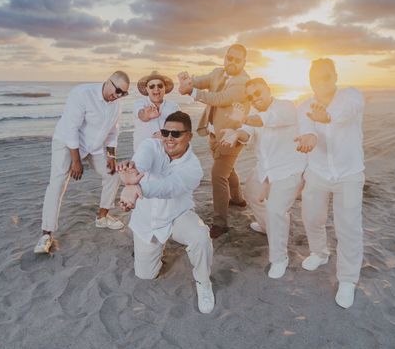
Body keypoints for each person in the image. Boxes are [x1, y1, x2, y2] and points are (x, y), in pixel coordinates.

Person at [117, 111, 215, 314]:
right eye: (165, 132)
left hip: (176, 216)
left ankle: (203, 281)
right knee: (146, 275)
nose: (169, 138)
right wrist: (133, 172)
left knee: (200, 236)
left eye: (176, 134)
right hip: (146, 222)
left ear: (189, 136)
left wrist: (139, 190)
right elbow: (142, 161)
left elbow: (169, 187)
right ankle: (157, 249)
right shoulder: (151, 145)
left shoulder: (193, 168)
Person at [34, 71, 130, 254]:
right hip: (66, 143)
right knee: (58, 183)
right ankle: (46, 233)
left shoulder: (116, 104)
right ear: (108, 81)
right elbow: (71, 129)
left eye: (122, 93)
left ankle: (102, 216)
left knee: (114, 174)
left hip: (94, 147)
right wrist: (76, 161)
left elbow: (113, 132)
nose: (117, 95)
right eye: (117, 90)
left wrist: (111, 156)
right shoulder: (82, 94)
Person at [295, 58, 365, 309]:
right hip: (317, 173)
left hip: (349, 174)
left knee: (348, 228)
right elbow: (307, 129)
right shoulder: (303, 105)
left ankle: (347, 279)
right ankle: (320, 253)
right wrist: (309, 138)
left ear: (335, 76)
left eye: (326, 76)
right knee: (312, 218)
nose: (321, 82)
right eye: (316, 77)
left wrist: (326, 117)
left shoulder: (351, 96)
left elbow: (346, 115)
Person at [220, 78, 306, 278]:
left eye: (257, 93)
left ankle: (279, 258)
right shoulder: (252, 113)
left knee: (276, 210)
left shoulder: (285, 107)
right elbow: (247, 132)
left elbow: (262, 120)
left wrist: (242, 119)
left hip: (288, 169)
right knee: (251, 193)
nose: (254, 98)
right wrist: (236, 134)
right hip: (265, 168)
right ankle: (267, 226)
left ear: (268, 90)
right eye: (250, 96)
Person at [177, 44, 250, 238]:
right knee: (227, 169)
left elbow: (219, 98)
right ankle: (238, 199)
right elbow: (200, 81)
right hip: (213, 134)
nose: (231, 62)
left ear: (244, 62)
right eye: (229, 57)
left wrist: (191, 92)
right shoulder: (218, 73)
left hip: (232, 136)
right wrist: (188, 81)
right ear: (225, 57)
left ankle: (220, 223)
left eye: (237, 59)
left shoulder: (243, 83)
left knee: (218, 175)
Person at [133, 71, 180, 152]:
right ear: (147, 89)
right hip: (143, 154)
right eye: (152, 86)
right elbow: (141, 114)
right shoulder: (140, 103)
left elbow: (178, 128)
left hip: (166, 154)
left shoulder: (173, 107)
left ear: (164, 88)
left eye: (160, 85)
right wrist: (146, 115)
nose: (156, 89)